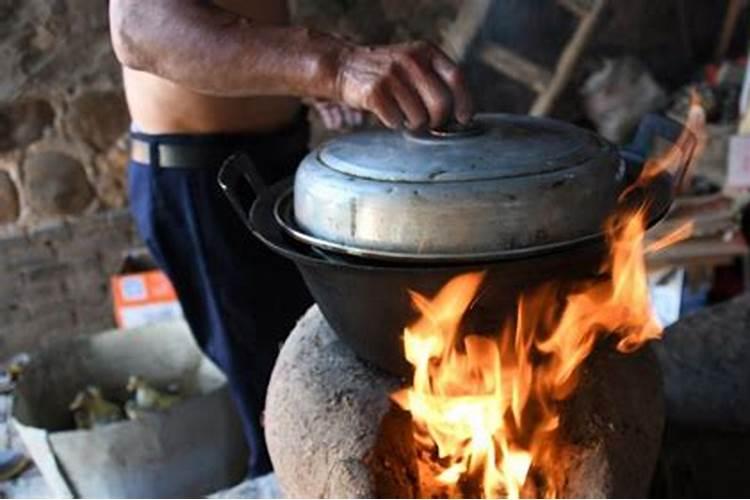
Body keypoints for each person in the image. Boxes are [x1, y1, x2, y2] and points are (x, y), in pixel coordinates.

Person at [108, 0, 473, 480]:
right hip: (205, 179)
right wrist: (336, 68)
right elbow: (140, 27)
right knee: (281, 405)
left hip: (272, 156)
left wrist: (294, 83)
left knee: (321, 382)